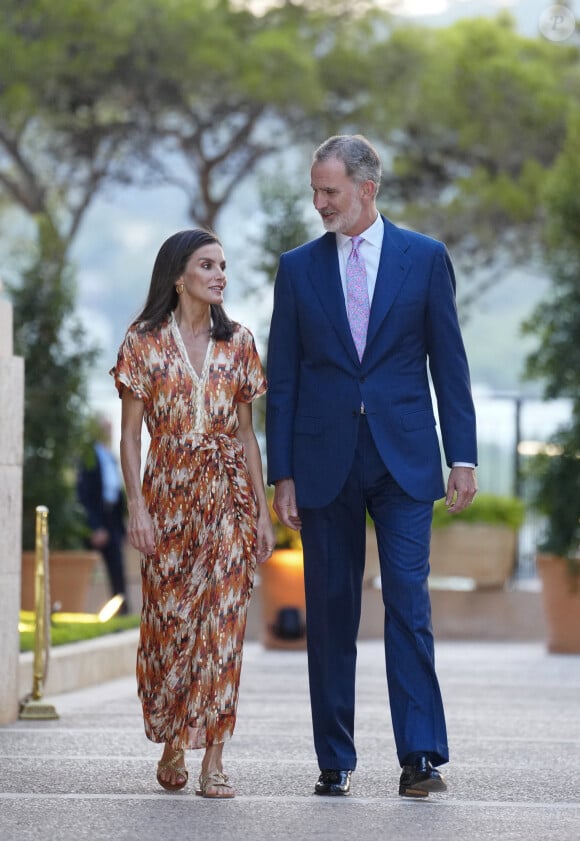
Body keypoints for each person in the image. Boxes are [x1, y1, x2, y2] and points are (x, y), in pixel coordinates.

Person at [266, 135, 477, 798]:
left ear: (367, 189)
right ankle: (335, 756)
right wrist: (284, 472)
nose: (319, 202)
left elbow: (449, 361)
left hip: (406, 459)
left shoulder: (424, 258)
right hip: (323, 459)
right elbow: (284, 379)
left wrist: (462, 454)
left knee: (407, 602)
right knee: (328, 611)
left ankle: (421, 755)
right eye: (314, 190)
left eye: (329, 191)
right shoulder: (297, 268)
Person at [110, 228, 275, 799]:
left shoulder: (241, 342)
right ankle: (175, 739)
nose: (220, 275)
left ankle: (215, 758)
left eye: (224, 265)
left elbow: (249, 438)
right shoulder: (143, 343)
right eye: (208, 265)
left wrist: (261, 515)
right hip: (167, 496)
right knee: (169, 623)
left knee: (224, 627)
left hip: (228, 495)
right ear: (179, 275)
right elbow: (130, 439)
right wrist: (137, 505)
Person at [77, 414, 130, 614]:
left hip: (112, 519)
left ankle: (122, 610)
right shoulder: (89, 456)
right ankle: (79, 610)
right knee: (87, 570)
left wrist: (122, 529)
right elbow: (85, 494)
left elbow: (117, 494)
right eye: (105, 428)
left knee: (118, 569)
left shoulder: (110, 456)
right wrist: (95, 526)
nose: (108, 432)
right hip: (96, 519)